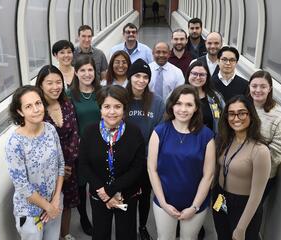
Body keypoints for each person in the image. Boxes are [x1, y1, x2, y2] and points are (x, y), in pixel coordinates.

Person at [148, 84, 216, 239]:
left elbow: (208, 175)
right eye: (178, 103)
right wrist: (163, 203)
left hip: (195, 203)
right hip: (164, 201)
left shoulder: (206, 136)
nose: (183, 109)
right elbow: (152, 170)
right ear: (171, 106)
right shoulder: (159, 132)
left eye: (189, 104)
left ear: (196, 108)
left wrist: (194, 207)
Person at [78, 85, 146, 240]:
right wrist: (105, 194)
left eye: (117, 107)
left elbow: (137, 167)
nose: (112, 112)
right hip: (99, 195)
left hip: (127, 195)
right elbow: (84, 165)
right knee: (100, 234)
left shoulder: (135, 132)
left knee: (126, 234)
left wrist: (112, 190)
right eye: (107, 106)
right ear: (100, 109)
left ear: (124, 109)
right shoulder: (89, 132)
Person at [5, 85, 64, 240]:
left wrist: (56, 199)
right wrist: (47, 207)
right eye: (28, 106)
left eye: (38, 103)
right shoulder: (14, 143)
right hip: (30, 212)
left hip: (55, 203)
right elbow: (22, 186)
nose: (36, 109)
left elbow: (60, 165)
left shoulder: (50, 129)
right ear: (20, 111)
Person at [213, 95, 271, 240]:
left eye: (242, 113)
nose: (236, 118)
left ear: (251, 115)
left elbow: (256, 195)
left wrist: (241, 228)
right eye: (231, 114)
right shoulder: (224, 140)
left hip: (243, 207)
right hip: (220, 198)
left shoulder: (260, 150)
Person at [35, 65, 80, 240]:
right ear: (40, 85)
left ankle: (65, 234)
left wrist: (68, 164)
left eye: (58, 82)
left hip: (69, 166)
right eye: (49, 83)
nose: (55, 87)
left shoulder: (67, 104)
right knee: (48, 204)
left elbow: (75, 134)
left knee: (66, 203)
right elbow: (39, 145)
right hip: (47, 171)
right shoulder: (37, 110)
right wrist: (59, 169)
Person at [125, 59, 165, 240]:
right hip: (125, 160)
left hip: (148, 159)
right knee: (127, 195)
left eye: (145, 77)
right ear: (129, 77)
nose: (141, 80)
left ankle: (142, 226)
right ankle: (128, 226)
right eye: (137, 76)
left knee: (144, 196)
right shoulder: (121, 99)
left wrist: (146, 156)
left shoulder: (157, 102)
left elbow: (159, 131)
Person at [67, 55, 102, 235]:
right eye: (82, 70)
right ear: (76, 72)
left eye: (90, 70)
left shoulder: (102, 91)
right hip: (80, 150)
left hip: (101, 148)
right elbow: (68, 123)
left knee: (99, 185)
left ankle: (100, 216)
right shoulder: (69, 95)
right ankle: (83, 217)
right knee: (81, 186)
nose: (87, 74)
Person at [248, 70, 281, 199]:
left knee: (253, 211)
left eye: (263, 86)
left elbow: (279, 149)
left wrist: (253, 164)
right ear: (249, 86)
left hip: (263, 175)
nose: (258, 90)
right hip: (240, 172)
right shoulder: (244, 107)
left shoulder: (279, 115)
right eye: (254, 86)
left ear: (270, 89)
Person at [186, 60, 225, 134]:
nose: (198, 77)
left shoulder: (216, 97)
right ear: (188, 74)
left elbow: (224, 120)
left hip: (210, 142)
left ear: (207, 77)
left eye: (202, 74)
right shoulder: (178, 95)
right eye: (194, 73)